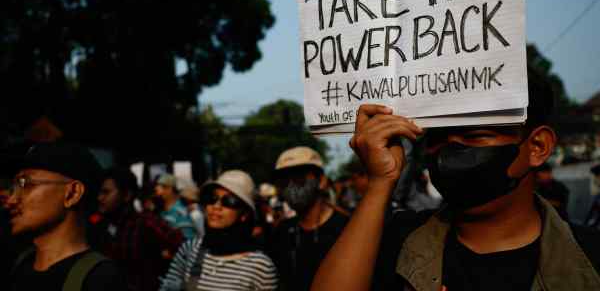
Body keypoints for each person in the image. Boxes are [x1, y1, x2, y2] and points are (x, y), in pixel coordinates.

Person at [312, 69, 600, 291]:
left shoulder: (589, 258)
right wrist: (380, 183)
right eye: (437, 139)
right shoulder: (397, 239)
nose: (449, 153)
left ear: (537, 146)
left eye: (474, 136)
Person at [6, 142, 124, 291]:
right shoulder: (21, 263)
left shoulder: (100, 279)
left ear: (73, 193)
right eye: (14, 186)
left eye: (26, 184)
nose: (11, 200)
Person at [160, 170, 278, 291]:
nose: (216, 206)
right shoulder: (190, 249)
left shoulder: (260, 266)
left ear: (244, 214)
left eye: (229, 201)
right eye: (212, 198)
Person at [269, 146, 349, 291]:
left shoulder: (348, 229)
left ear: (322, 181)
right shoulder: (282, 232)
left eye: (299, 177)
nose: (291, 186)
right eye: (283, 180)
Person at [95, 167, 184, 291]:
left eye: (106, 192)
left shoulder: (145, 222)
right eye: (99, 192)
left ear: (126, 195)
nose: (100, 198)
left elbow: (182, 246)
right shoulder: (100, 225)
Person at [155, 173, 197, 239]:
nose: (157, 194)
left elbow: (188, 243)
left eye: (158, 190)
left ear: (169, 189)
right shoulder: (161, 211)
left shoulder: (181, 213)